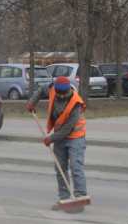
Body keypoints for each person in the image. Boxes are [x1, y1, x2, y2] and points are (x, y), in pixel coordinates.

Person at [27, 76, 88, 207]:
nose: (61, 97)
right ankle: (65, 198)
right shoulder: (52, 89)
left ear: (69, 91)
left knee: (76, 166)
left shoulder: (75, 103)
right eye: (59, 94)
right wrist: (32, 102)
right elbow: (41, 90)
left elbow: (68, 128)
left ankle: (80, 197)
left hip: (75, 136)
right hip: (59, 137)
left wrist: (51, 139)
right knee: (60, 168)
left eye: (64, 94)